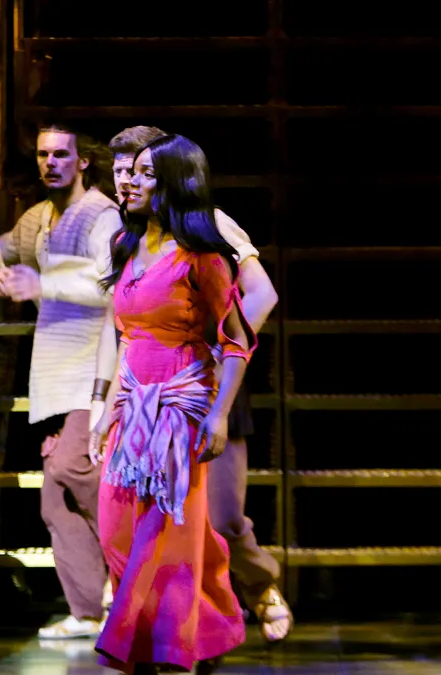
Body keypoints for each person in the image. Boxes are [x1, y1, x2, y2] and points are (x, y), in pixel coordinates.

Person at [100, 125, 291, 643]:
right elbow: (125, 327)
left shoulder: (209, 227)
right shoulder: (129, 235)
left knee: (222, 518)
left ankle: (258, 590)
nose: (125, 182)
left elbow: (261, 297)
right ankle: (164, 626)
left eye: (138, 170)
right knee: (153, 521)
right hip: (147, 393)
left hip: (203, 384)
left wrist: (207, 350)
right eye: (119, 171)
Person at [0, 123, 120, 640]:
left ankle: (133, 576)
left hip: (99, 370)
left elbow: (111, 284)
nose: (49, 162)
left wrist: (41, 280)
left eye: (61, 154)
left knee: (77, 469)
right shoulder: (39, 220)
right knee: (54, 499)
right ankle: (87, 610)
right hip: (59, 374)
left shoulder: (103, 215)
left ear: (82, 161)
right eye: (42, 154)